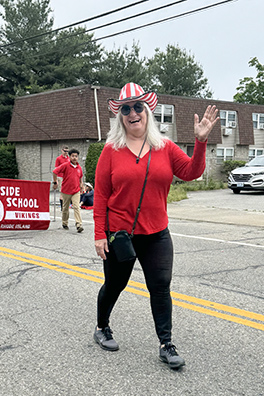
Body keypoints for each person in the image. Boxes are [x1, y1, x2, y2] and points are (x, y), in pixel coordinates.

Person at [93, 82, 219, 369]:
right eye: (126, 109)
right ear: (120, 116)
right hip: (120, 235)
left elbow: (190, 172)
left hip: (157, 233)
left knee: (160, 287)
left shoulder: (165, 147)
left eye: (138, 107)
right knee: (115, 284)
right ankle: (102, 327)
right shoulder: (111, 150)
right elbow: (100, 195)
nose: (132, 113)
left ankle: (166, 344)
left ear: (148, 111)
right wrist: (100, 234)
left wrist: (200, 142)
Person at [52, 148, 84, 233]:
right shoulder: (65, 165)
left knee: (76, 206)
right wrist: (55, 182)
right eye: (73, 156)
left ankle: (79, 224)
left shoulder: (79, 167)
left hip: (76, 191)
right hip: (66, 191)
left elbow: (80, 178)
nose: (74, 158)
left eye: (76, 156)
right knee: (65, 208)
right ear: (69, 157)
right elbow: (55, 172)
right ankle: (65, 223)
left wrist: (81, 186)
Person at [54, 146, 70, 210]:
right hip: (60, 177)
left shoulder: (68, 158)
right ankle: (62, 207)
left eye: (67, 151)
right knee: (62, 192)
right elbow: (56, 169)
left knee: (67, 191)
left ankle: (66, 205)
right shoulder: (59, 159)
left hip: (67, 177)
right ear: (62, 150)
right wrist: (56, 180)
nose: (66, 152)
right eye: (65, 151)